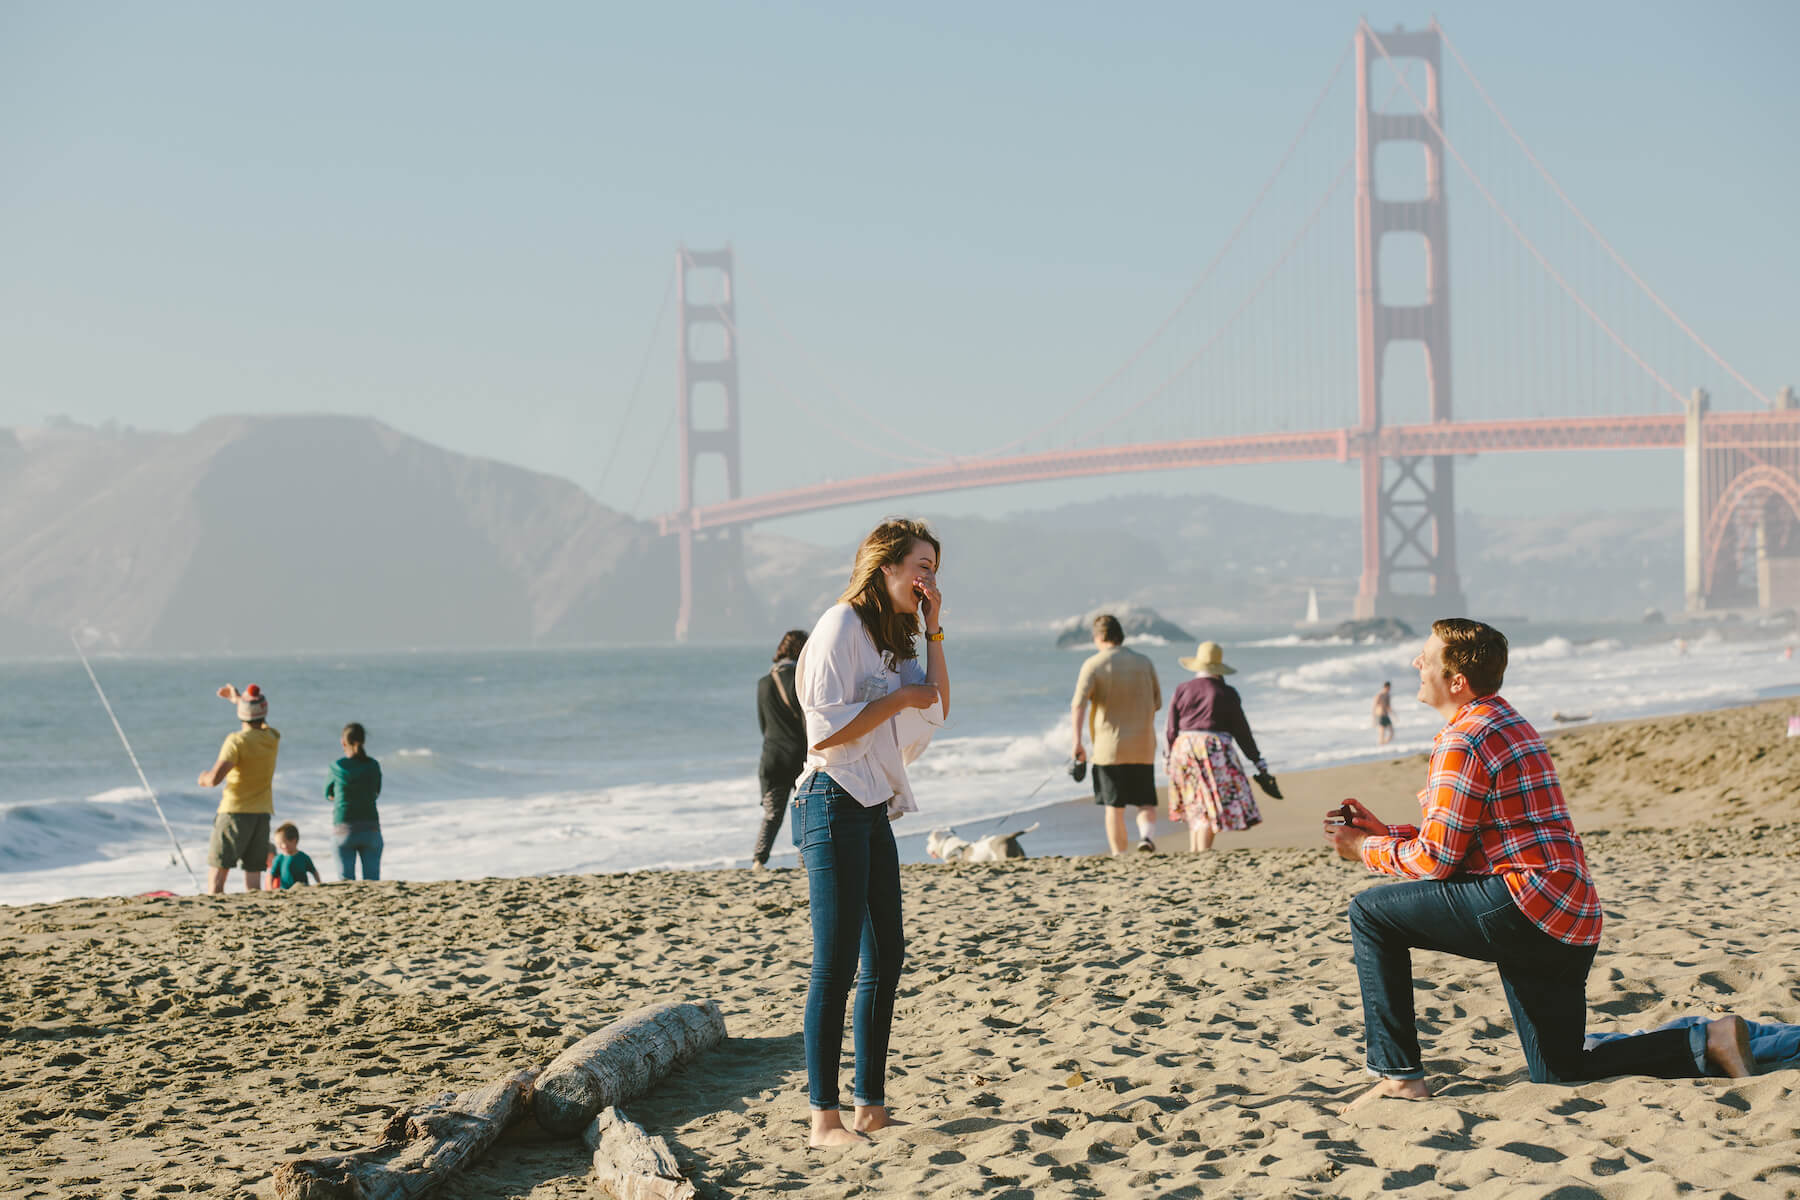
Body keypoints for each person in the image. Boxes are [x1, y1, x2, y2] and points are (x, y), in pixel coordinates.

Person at [1325, 619, 1755, 1111]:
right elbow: (1463, 842)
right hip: (1570, 917)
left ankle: (1400, 1077)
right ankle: (1710, 1041)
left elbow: (1439, 861)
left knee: (1370, 912)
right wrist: (1387, 836)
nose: (1416, 664)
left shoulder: (1463, 739)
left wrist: (1364, 851)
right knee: (1561, 1072)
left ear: (1456, 680)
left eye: (1426, 656)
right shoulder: (1507, 721)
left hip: (1524, 906)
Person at [792, 518, 948, 1148]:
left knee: (886, 957)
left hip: (872, 803)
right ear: (885, 566)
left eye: (935, 568)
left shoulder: (891, 637)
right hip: (831, 800)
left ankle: (871, 1109)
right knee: (834, 964)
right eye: (921, 566)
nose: (929, 578)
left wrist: (934, 627)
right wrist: (895, 702)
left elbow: (936, 701)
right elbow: (823, 730)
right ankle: (822, 1119)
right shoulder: (839, 626)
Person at [1165, 641, 1269, 853]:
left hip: (1182, 747)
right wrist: (1256, 759)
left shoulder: (1182, 689)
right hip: (1213, 749)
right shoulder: (1226, 692)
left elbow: (1170, 727)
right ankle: (1202, 852)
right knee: (1208, 804)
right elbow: (1242, 731)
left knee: (1195, 802)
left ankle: (1195, 850)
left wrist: (1167, 758)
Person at [1072, 613, 1162, 854]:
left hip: (1109, 747)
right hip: (1143, 743)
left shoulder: (1094, 664)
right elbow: (1156, 702)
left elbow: (1078, 705)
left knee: (1114, 806)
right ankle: (1146, 837)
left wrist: (1077, 742)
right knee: (1145, 801)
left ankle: (1119, 854)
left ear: (1100, 636)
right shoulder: (1144, 662)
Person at [197, 684, 280, 894]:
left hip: (234, 812)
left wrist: (203, 778)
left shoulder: (236, 741)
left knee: (219, 869)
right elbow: (260, 721)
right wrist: (238, 700)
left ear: (241, 714)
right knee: (253, 874)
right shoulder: (272, 738)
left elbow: (215, 778)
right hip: (261, 813)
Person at [751, 630, 808, 869]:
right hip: (799, 755)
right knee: (804, 810)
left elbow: (763, 725)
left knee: (773, 814)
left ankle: (758, 860)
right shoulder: (800, 678)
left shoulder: (763, 682)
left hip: (772, 756)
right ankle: (805, 861)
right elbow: (809, 720)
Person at [326, 722, 383, 881]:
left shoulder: (337, 767)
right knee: (372, 882)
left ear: (343, 742)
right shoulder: (373, 765)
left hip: (344, 829)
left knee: (345, 882)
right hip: (371, 829)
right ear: (363, 741)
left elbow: (329, 795)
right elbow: (376, 792)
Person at [265, 822, 322, 889]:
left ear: (293, 840)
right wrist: (270, 888)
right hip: (285, 890)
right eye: (278, 844)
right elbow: (271, 875)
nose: (279, 846)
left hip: (303, 889)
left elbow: (314, 871)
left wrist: (319, 883)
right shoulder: (279, 859)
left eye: (282, 843)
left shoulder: (303, 857)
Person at [1372, 680, 1394, 745]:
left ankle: (1384, 744)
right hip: (1380, 716)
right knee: (1382, 734)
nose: (1390, 689)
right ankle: (1381, 747)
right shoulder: (1379, 695)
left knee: (1392, 733)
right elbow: (1374, 707)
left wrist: (1394, 715)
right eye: (1389, 688)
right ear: (1386, 687)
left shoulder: (1388, 695)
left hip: (1386, 716)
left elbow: (1388, 707)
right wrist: (1373, 719)